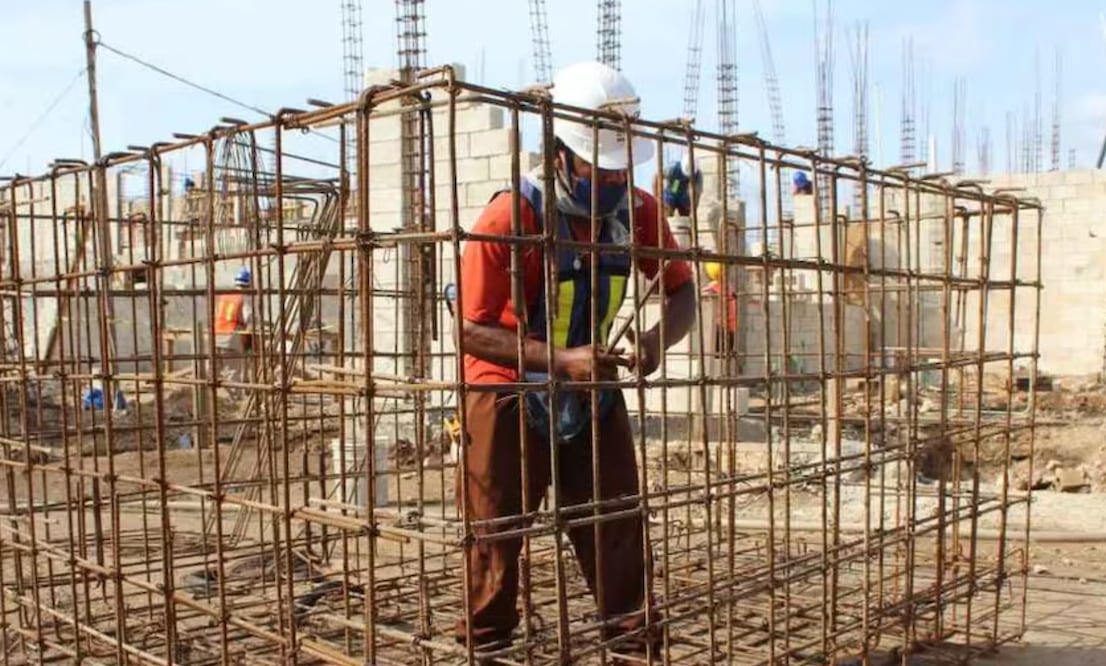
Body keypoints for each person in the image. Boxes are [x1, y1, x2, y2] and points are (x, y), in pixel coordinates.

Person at [455, 61, 696, 659]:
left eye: (620, 169)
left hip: (592, 384)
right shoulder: (513, 216)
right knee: (495, 533)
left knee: (615, 520)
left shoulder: (636, 211)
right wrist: (560, 359)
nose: (613, 180)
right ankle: (487, 643)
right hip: (508, 387)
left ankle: (632, 642)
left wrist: (654, 341)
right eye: (600, 167)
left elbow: (683, 290)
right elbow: (470, 330)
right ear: (560, 152)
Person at [214, 266, 254, 385]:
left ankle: (212, 395)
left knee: (214, 374)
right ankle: (235, 396)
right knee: (233, 373)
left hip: (216, 336)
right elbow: (248, 318)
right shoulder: (243, 297)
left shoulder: (225, 295)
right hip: (231, 338)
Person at [702, 261, 738, 361]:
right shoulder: (713, 286)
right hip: (720, 325)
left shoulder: (728, 285)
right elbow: (703, 294)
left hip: (730, 325)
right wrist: (710, 294)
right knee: (719, 355)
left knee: (727, 355)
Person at [658, 152, 702, 217]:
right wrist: (657, 198)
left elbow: (697, 194)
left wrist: (693, 210)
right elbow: (656, 177)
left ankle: (685, 219)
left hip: (683, 194)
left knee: (686, 212)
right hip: (672, 190)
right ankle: (666, 220)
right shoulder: (672, 168)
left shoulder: (698, 174)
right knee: (667, 210)